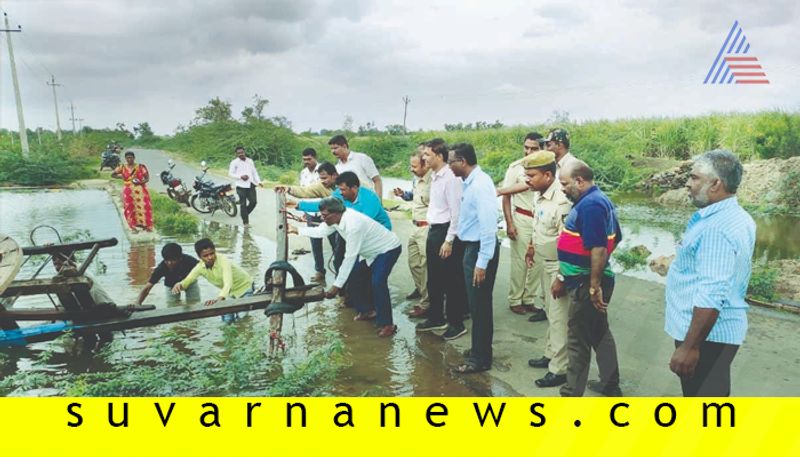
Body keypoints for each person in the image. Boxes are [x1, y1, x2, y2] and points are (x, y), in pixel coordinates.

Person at [665, 150, 755, 397]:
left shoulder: (717, 227)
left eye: (694, 178)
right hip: (712, 333)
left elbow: (712, 292)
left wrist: (690, 347)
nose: (688, 183)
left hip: (707, 337)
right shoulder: (737, 217)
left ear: (716, 183)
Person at [555, 160, 623, 397]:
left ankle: (571, 393)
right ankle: (610, 384)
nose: (562, 189)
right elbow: (617, 238)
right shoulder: (598, 200)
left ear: (580, 181)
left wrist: (593, 285)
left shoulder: (591, 206)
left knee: (577, 339)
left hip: (587, 283)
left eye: (564, 184)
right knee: (599, 332)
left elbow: (599, 249)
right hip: (589, 278)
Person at [289, 198, 402, 337]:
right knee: (354, 278)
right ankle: (367, 310)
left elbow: (349, 257)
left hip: (386, 249)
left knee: (378, 282)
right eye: (322, 215)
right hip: (368, 251)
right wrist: (296, 230)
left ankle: (387, 324)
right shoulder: (334, 219)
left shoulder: (354, 224)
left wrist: (336, 286)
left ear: (336, 213)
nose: (323, 219)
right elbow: (321, 231)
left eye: (325, 216)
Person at [522, 151, 573, 388]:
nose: (527, 180)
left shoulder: (562, 201)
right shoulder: (540, 195)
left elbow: (569, 242)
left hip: (558, 267)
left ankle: (560, 368)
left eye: (531, 175)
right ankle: (551, 353)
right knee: (551, 314)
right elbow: (539, 226)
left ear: (548, 174)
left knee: (560, 318)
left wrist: (561, 276)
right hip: (544, 262)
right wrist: (532, 247)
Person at [449, 143, 501, 373]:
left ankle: (480, 359)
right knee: (476, 303)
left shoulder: (479, 185)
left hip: (480, 248)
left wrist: (482, 262)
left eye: (451, 161)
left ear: (462, 161)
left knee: (479, 305)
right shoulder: (471, 183)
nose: (449, 166)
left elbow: (489, 226)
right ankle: (479, 350)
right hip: (472, 247)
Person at [415, 138, 469, 341]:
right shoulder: (435, 176)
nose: (424, 158)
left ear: (439, 155)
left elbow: (456, 212)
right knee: (434, 278)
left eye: (427, 154)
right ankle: (436, 317)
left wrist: (449, 240)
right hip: (435, 229)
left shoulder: (451, 178)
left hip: (447, 231)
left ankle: (456, 323)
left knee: (451, 280)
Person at [497, 132, 547, 319]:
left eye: (534, 148)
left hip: (541, 220)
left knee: (538, 261)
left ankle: (529, 298)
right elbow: (506, 196)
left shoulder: (547, 168)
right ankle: (515, 300)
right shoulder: (516, 168)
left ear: (541, 148)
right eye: (526, 147)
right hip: (522, 218)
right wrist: (509, 223)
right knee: (520, 262)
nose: (529, 151)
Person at [277, 161, 339, 282]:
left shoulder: (342, 188)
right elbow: (305, 192)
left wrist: (298, 205)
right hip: (322, 215)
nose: (322, 181)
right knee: (316, 241)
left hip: (337, 219)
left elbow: (323, 204)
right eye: (321, 178)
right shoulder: (318, 184)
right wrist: (289, 189)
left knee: (338, 248)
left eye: (325, 178)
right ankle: (322, 272)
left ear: (334, 175)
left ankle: (341, 279)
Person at [172, 238, 254, 323]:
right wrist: (180, 285)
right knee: (227, 320)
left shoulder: (223, 261)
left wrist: (219, 299)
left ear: (215, 251)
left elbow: (228, 283)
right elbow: (188, 280)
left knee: (242, 317)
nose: (210, 257)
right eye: (205, 256)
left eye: (212, 253)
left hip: (245, 288)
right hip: (230, 293)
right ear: (199, 257)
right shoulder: (200, 267)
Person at [392, 146, 432, 317]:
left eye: (415, 166)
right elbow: (416, 197)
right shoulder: (417, 180)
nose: (411, 169)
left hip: (427, 228)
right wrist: (404, 195)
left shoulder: (434, 182)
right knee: (414, 264)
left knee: (426, 267)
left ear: (426, 166)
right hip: (415, 226)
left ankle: (427, 302)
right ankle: (423, 293)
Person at [298, 148, 325, 283]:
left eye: (309, 159)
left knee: (335, 243)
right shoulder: (303, 173)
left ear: (315, 158)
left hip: (326, 212)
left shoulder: (323, 171)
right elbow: (303, 192)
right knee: (315, 242)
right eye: (304, 159)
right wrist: (304, 212)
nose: (306, 162)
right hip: (310, 212)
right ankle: (320, 270)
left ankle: (341, 274)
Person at [329, 135, 383, 200]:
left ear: (344, 146)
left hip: (367, 199)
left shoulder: (362, 158)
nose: (333, 152)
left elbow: (377, 180)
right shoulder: (337, 167)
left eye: (335, 148)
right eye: (331, 149)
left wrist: (378, 201)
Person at [111, 150, 153, 232]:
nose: (129, 159)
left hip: (140, 190)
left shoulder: (140, 167)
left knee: (144, 207)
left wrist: (141, 182)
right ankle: (132, 226)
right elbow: (113, 174)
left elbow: (147, 178)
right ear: (125, 159)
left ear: (134, 158)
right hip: (128, 190)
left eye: (131, 157)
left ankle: (145, 225)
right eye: (127, 158)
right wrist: (122, 177)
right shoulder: (122, 167)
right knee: (129, 208)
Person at [228, 146, 263, 227]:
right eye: (238, 153)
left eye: (242, 152)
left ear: (244, 152)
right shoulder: (234, 162)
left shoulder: (250, 161)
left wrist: (259, 181)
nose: (241, 154)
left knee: (253, 202)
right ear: (236, 154)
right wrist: (240, 176)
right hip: (240, 186)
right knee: (243, 204)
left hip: (251, 184)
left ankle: (244, 214)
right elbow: (230, 173)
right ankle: (245, 222)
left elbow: (254, 172)